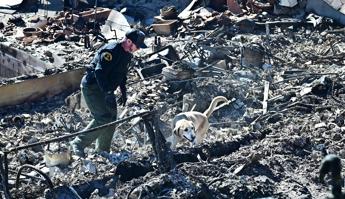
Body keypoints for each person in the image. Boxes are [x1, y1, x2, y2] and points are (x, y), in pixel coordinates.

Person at [70, 29, 148, 157]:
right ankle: (77, 143)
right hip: (93, 87)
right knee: (103, 117)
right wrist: (108, 93)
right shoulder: (111, 51)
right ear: (128, 41)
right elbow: (99, 72)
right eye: (137, 46)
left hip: (107, 89)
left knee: (111, 118)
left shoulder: (127, 54)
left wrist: (123, 92)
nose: (138, 49)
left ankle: (102, 150)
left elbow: (122, 75)